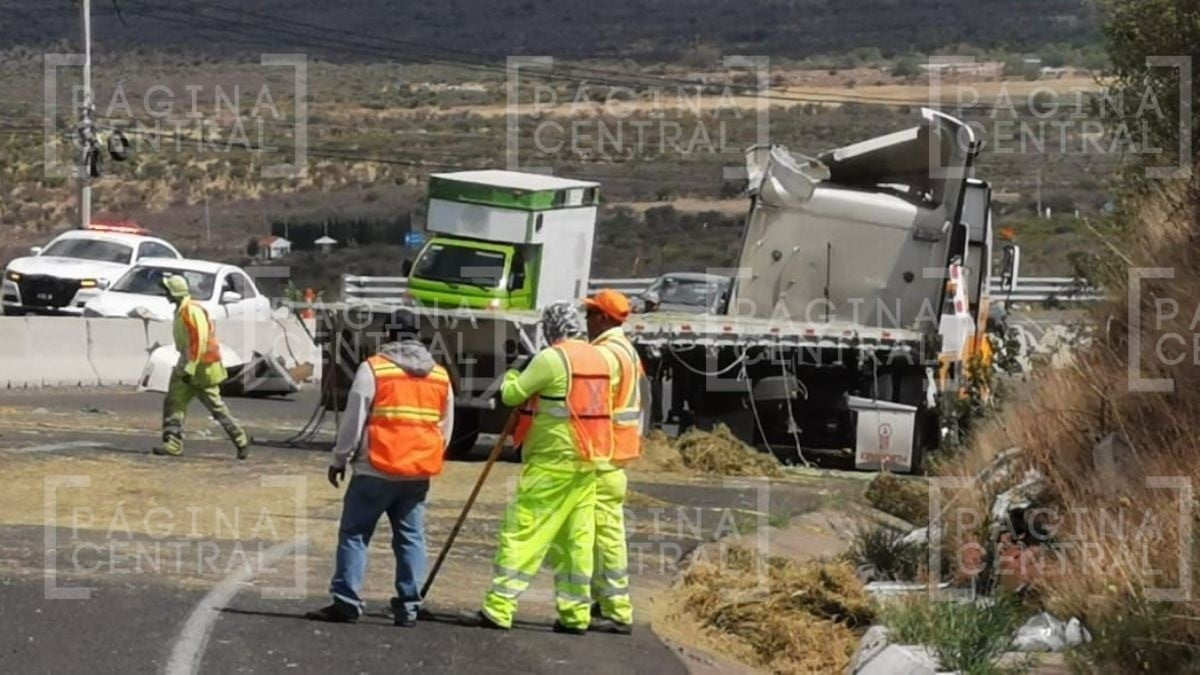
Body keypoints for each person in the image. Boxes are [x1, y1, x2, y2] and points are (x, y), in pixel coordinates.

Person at [462, 302, 616, 635]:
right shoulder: (599, 358)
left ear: (551, 328)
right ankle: (576, 613)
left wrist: (514, 374)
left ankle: (499, 607)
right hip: (588, 460)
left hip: (552, 460)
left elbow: (513, 394)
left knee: (522, 531)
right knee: (576, 539)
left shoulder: (552, 358)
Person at [306, 312, 454, 627]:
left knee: (355, 534)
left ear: (388, 335)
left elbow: (354, 417)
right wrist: (427, 455)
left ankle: (347, 601)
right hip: (417, 472)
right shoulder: (440, 375)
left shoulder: (374, 369)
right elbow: (445, 427)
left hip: (376, 467)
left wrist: (340, 458)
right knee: (411, 537)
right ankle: (409, 607)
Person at [583, 289, 645, 635]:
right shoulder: (625, 351)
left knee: (606, 535)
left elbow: (592, 403)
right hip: (614, 453)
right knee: (600, 533)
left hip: (604, 453)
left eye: (592, 314)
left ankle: (617, 608)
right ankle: (603, 601)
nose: (587, 320)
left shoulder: (606, 355)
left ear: (605, 318)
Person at [154, 274, 249, 459]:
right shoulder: (182, 310)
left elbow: (200, 340)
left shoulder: (192, 311)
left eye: (167, 290)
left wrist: (191, 367)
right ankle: (173, 444)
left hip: (202, 368)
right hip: (189, 365)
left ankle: (241, 439)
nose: (165, 294)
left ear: (175, 292)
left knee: (216, 408)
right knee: (174, 403)